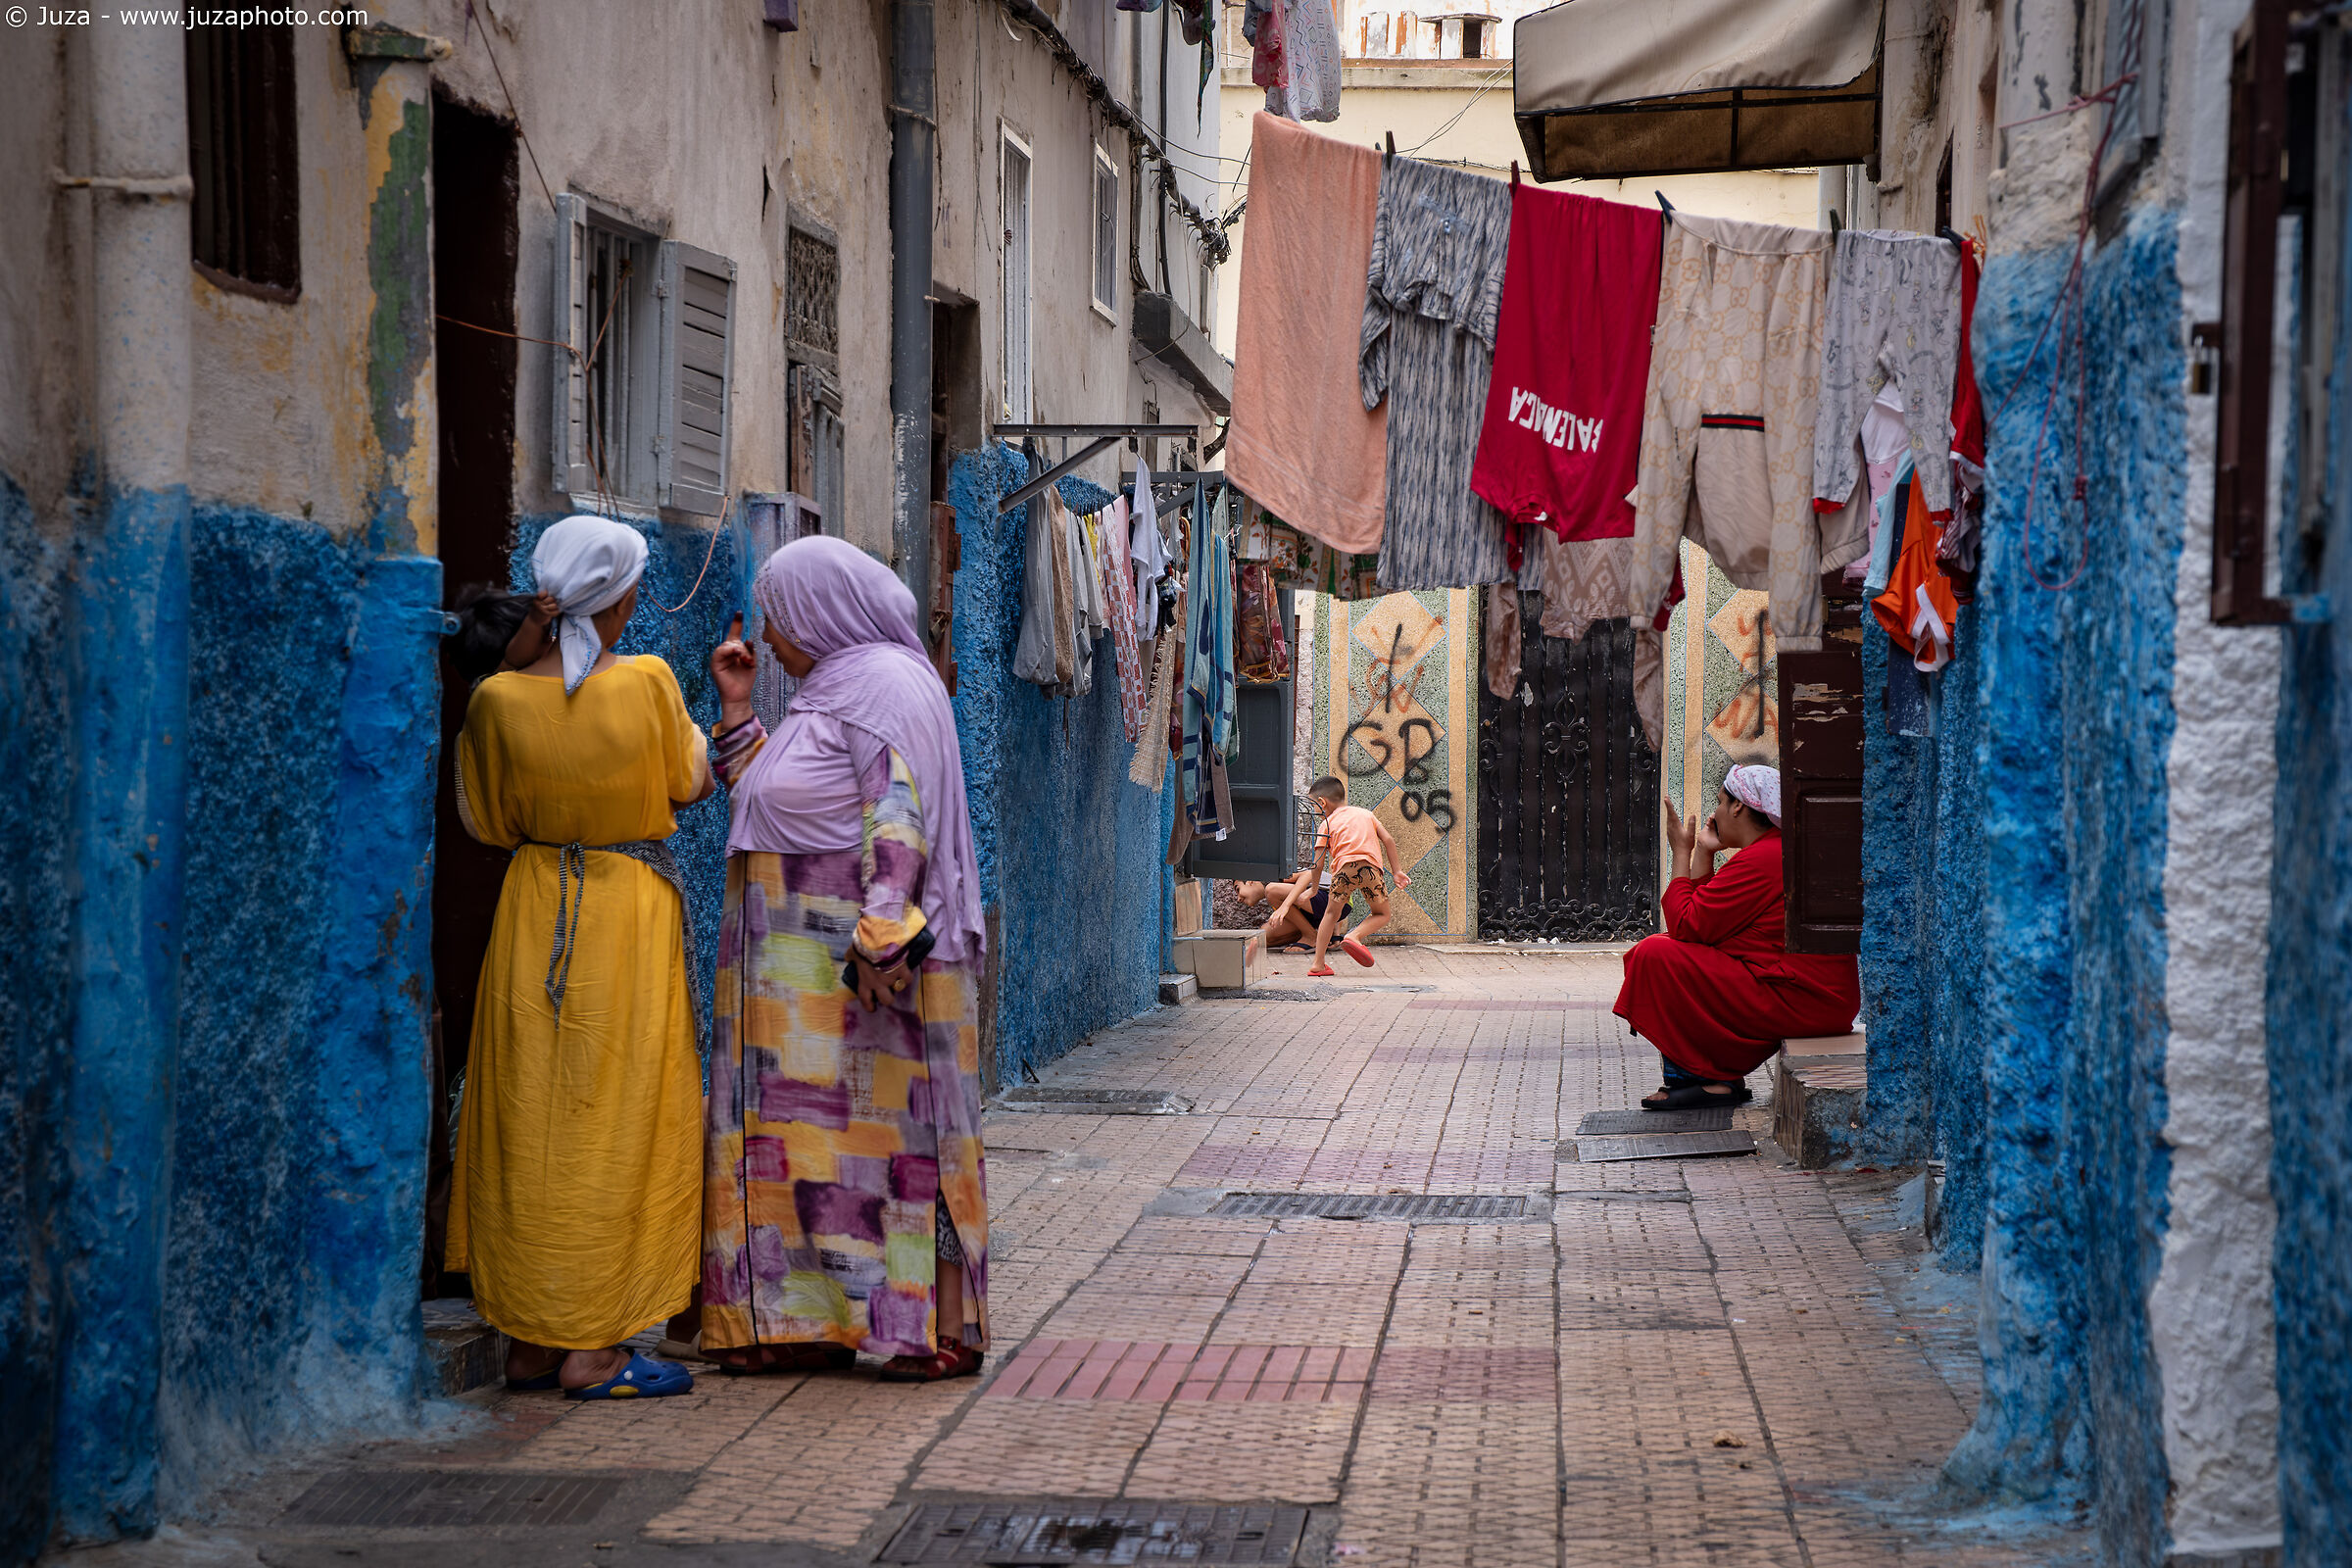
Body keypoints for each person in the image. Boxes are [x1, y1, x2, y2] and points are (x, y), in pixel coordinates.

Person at [700, 535, 991, 1383]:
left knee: (883, 1155)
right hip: (793, 1001)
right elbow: (777, 798)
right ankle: (798, 1318)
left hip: (846, 984)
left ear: (823, 610)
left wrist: (881, 933)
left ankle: (908, 1326)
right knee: (804, 1161)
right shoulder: (835, 692)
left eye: (779, 617)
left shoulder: (879, 689)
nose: (769, 634)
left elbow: (895, 815)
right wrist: (737, 710)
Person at [446, 514, 710, 1399]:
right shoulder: (648, 684)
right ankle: (594, 1347)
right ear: (622, 597)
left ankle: (526, 1339)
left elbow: (485, 820)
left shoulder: (492, 700)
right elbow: (690, 781)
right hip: (627, 915)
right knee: (620, 1115)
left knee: (529, 1114)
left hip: (532, 911)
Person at [1614, 764, 1860, 1110]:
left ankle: (1699, 1080)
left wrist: (1682, 853)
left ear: (1738, 807)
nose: (1714, 813)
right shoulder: (1774, 851)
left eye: (1719, 802)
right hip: (1815, 997)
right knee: (1669, 953)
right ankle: (1712, 1079)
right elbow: (1700, 924)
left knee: (1656, 956)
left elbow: (1686, 926)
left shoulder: (1763, 859)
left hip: (1804, 998)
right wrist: (1703, 852)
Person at [1301, 775, 1408, 978]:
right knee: (1382, 914)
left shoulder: (1327, 823)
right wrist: (1397, 871)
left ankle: (1318, 964)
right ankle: (1355, 936)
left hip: (1344, 870)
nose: (1315, 810)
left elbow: (1318, 863)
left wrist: (1314, 889)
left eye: (1314, 805)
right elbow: (1388, 839)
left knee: (1331, 915)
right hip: (1371, 869)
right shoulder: (1366, 814)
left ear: (1322, 802)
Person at [1236, 870, 1325, 953]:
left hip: (1327, 898)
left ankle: (1311, 936)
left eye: (1238, 889)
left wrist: (1285, 906)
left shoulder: (1273, 875)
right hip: (1316, 913)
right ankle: (1322, 936)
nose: (1238, 899)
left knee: (1272, 890)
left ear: (1250, 881)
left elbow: (1309, 874)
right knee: (1263, 937)